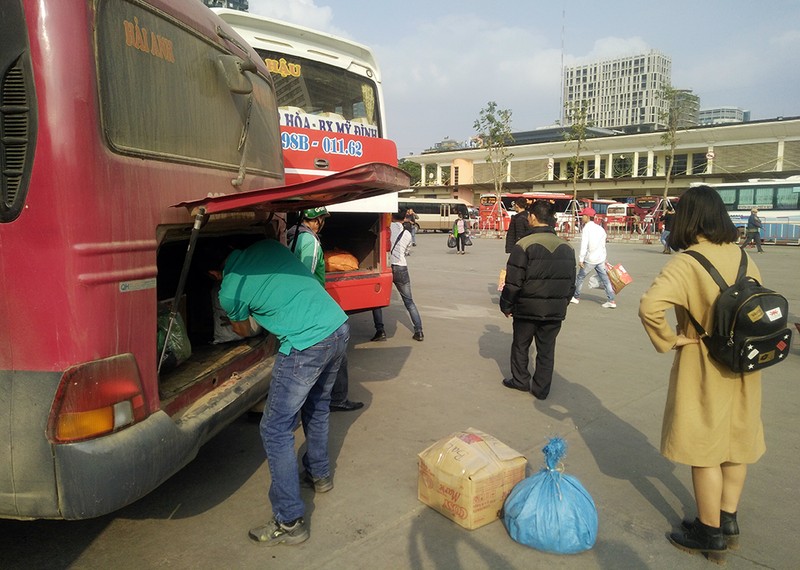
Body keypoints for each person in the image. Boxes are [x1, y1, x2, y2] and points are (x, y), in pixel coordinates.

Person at [639, 185, 766, 564]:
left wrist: (672, 339)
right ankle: (729, 522)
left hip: (704, 364)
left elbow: (650, 307)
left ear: (689, 218)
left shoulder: (687, 262)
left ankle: (708, 533)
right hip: (745, 365)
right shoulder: (744, 257)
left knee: (704, 447)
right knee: (736, 442)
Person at [209, 238, 350, 547]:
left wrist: (257, 319)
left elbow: (243, 330)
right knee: (318, 406)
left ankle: (289, 521)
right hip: (338, 327)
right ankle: (319, 475)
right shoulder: (267, 247)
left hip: (306, 344)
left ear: (214, 272)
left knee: (275, 429)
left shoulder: (229, 288)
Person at [288, 207, 363, 412]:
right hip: (313, 306)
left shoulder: (293, 234)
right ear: (315, 220)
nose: (324, 222)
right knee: (336, 349)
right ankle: (334, 398)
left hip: (303, 306)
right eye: (322, 219)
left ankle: (325, 397)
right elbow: (307, 277)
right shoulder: (310, 242)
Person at [499, 201, 576, 400]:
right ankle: (541, 389)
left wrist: (506, 304)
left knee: (521, 345)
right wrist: (562, 302)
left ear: (532, 217)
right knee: (546, 349)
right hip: (554, 310)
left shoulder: (523, 245)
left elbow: (513, 282)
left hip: (526, 308)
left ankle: (520, 380)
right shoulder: (567, 247)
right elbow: (571, 284)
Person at [371, 211, 424, 341]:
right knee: (409, 302)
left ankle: (380, 331)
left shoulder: (386, 229)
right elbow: (407, 251)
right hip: (401, 267)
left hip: (387, 267)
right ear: (405, 218)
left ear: (392, 216)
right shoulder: (407, 233)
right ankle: (419, 331)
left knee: (376, 302)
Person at [570, 207, 616, 308]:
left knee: (580, 277)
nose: (582, 217)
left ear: (587, 217)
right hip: (600, 258)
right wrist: (604, 258)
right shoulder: (600, 229)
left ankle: (576, 297)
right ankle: (611, 300)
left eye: (583, 215)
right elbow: (603, 245)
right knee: (605, 279)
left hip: (590, 259)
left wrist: (581, 259)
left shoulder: (587, 229)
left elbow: (584, 245)